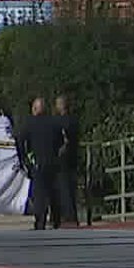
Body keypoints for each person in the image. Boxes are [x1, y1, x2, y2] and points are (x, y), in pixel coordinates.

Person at [16, 96, 66, 230]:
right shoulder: (54, 122)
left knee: (40, 194)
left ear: (35, 109)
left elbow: (20, 141)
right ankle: (56, 219)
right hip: (53, 162)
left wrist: (24, 160)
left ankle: (40, 221)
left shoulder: (29, 123)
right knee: (54, 192)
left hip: (37, 162)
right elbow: (61, 143)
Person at [53, 94, 80, 226]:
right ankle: (73, 215)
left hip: (62, 159)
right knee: (71, 188)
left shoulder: (59, 122)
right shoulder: (74, 120)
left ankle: (67, 216)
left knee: (63, 188)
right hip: (73, 157)